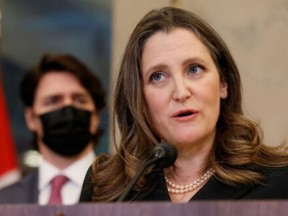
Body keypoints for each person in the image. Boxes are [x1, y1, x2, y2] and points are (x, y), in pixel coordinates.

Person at [80, 6, 288, 203]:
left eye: (194, 69)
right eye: (158, 76)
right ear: (139, 99)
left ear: (223, 83)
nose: (181, 92)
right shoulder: (104, 187)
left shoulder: (279, 181)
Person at [0, 54, 106, 204]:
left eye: (79, 100)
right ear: (31, 118)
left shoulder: (129, 191)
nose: (68, 109)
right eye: (53, 101)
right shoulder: (4, 201)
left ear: (96, 116)